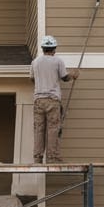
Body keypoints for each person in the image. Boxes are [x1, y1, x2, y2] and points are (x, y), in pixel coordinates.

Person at [30, 34, 78, 164]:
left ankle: (37, 158)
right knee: (52, 128)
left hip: (38, 100)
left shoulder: (35, 62)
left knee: (38, 129)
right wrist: (73, 75)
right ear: (54, 49)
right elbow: (64, 77)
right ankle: (52, 157)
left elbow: (32, 79)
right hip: (52, 100)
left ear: (42, 48)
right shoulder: (57, 61)